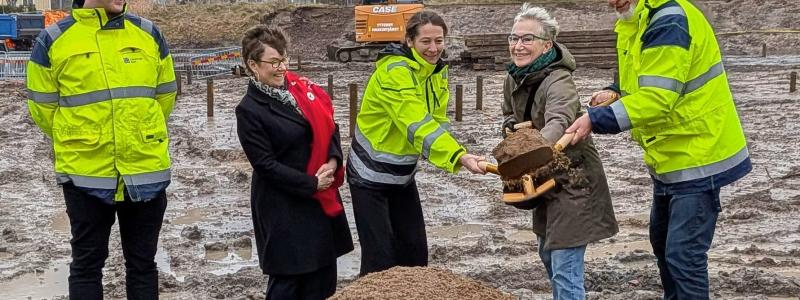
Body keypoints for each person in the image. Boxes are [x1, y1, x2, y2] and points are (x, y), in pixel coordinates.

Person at [566, 0, 752, 298]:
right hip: (669, 157)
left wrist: (594, 119)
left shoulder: (668, 20)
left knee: (683, 255)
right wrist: (616, 90)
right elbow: (647, 76)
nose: (614, 1)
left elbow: (658, 96)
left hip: (698, 154)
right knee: (663, 244)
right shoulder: (636, 21)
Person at [25, 0, 176, 298]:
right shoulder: (54, 39)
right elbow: (43, 109)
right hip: (85, 176)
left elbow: (165, 96)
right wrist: (83, 140)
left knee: (143, 265)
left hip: (144, 171)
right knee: (87, 265)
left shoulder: (148, 33)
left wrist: (138, 135)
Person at [346, 10, 486, 276]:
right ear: (409, 41)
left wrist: (449, 151)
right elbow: (415, 122)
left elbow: (436, 121)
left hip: (401, 175)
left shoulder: (436, 72)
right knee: (380, 259)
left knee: (415, 253)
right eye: (426, 42)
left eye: (439, 41)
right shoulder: (394, 72)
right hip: (369, 175)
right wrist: (459, 156)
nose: (433, 49)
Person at [500, 4, 618, 299]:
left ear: (546, 45)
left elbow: (559, 122)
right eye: (514, 38)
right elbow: (508, 117)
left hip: (574, 181)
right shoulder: (513, 77)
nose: (519, 45)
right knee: (548, 254)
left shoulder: (559, 80)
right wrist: (511, 133)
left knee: (565, 267)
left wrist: (527, 153)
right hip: (542, 178)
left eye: (527, 39)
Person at [235, 25, 354, 299]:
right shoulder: (249, 110)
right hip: (283, 207)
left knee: (323, 278)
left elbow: (330, 127)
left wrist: (334, 162)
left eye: (284, 60)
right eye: (274, 62)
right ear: (253, 64)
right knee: (288, 282)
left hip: (318, 201)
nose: (282, 68)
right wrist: (311, 183)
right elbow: (265, 165)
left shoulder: (304, 90)